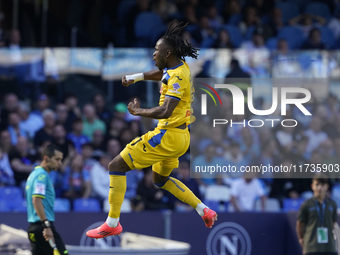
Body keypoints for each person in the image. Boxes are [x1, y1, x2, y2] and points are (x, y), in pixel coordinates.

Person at [86, 21, 217, 239]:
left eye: (156, 50)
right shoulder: (178, 66)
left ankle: (112, 223)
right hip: (181, 137)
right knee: (160, 180)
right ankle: (203, 209)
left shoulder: (178, 77)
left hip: (167, 135)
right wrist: (136, 77)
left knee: (116, 165)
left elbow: (166, 110)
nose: (154, 54)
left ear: (167, 52)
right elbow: (161, 74)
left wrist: (139, 112)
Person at [26, 144, 68, 255]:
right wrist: (46, 226)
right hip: (43, 228)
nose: (60, 163)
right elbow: (36, 200)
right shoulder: (42, 176)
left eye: (61, 160)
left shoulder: (33, 174)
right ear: (46, 158)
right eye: (57, 159)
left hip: (34, 228)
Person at [296, 174, 338, 255]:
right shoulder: (306, 204)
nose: (319, 188)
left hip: (329, 247)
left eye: (322, 185)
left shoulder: (332, 204)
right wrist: (302, 239)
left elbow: (332, 223)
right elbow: (300, 225)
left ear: (327, 186)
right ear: (312, 186)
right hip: (312, 247)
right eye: (317, 184)